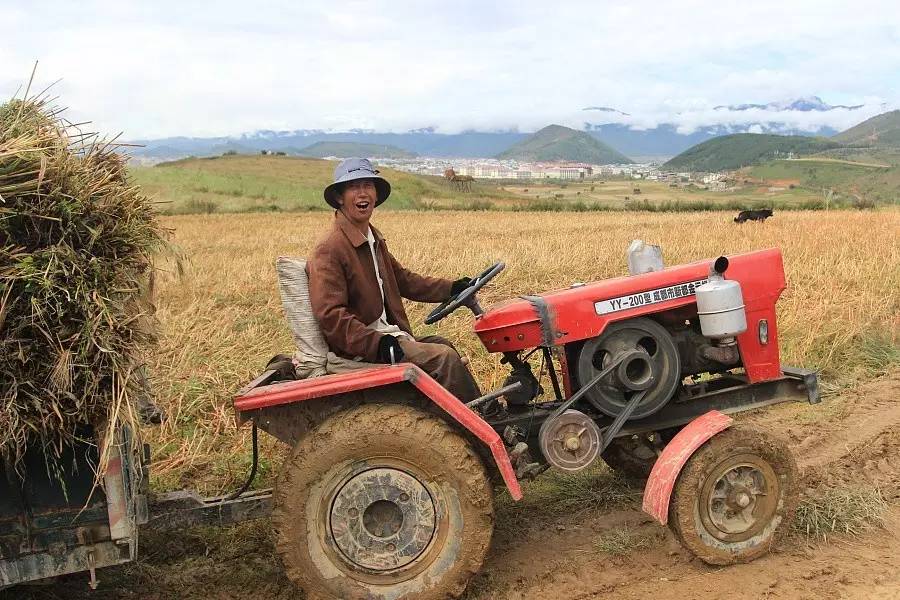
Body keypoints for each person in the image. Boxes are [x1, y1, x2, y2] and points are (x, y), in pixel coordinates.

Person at [307, 157, 482, 402]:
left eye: (368, 185)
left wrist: (451, 288)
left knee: (444, 345)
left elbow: (403, 280)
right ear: (339, 197)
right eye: (354, 186)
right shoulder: (331, 248)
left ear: (376, 194)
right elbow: (331, 315)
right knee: (444, 359)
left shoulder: (371, 238)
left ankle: (463, 415)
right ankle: (479, 427)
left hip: (388, 334)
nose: (362, 193)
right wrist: (376, 343)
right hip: (360, 348)